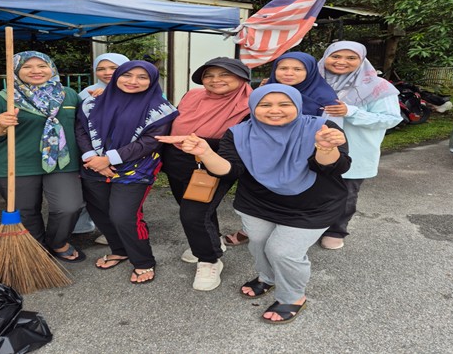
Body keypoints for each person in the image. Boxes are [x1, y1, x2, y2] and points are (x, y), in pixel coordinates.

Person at [158, 84, 350, 324]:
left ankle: (292, 296)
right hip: (258, 202)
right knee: (258, 244)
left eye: (284, 104)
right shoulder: (239, 133)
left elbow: (335, 168)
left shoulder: (321, 128)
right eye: (265, 104)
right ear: (253, 107)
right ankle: (267, 278)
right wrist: (205, 153)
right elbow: (230, 170)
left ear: (298, 105)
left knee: (282, 252)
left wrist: (326, 148)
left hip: (312, 205)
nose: (275, 110)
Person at [0, 51, 86, 262]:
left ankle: (57, 242)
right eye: (27, 67)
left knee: (69, 207)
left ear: (51, 68)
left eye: (42, 66)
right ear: (15, 71)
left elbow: (83, 125)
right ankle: (36, 249)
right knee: (26, 211)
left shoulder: (69, 95)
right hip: (16, 164)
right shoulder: (2, 99)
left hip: (62, 163)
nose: (36, 71)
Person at [223, 51, 339, 247]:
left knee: (285, 248)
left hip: (307, 157)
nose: (289, 73)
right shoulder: (264, 89)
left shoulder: (324, 98)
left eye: (297, 68)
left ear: (310, 71)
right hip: (265, 158)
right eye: (283, 68)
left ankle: (301, 237)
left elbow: (332, 139)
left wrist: (326, 145)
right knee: (260, 224)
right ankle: (255, 230)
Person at [76, 60, 178, 284]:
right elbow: (81, 129)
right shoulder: (92, 102)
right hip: (94, 165)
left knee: (124, 216)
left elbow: (150, 141)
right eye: (127, 75)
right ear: (117, 76)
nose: (133, 81)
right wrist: (92, 157)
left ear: (152, 81)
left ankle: (143, 260)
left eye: (142, 77)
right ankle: (119, 250)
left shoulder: (160, 109)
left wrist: (108, 159)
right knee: (100, 212)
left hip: (136, 169)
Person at [161, 57, 252, 291]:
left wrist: (202, 144)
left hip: (215, 160)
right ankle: (212, 241)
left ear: (242, 78)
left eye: (225, 74)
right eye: (209, 75)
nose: (215, 80)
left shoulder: (252, 103)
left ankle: (209, 260)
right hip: (178, 158)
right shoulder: (193, 95)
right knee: (196, 209)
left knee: (193, 213)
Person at [318, 41, 402, 250]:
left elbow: (391, 119)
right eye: (335, 56)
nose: (341, 62)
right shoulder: (312, 80)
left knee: (345, 193)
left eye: (351, 58)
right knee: (311, 189)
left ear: (362, 60)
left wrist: (351, 112)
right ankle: (310, 226)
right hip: (315, 148)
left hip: (355, 150)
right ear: (325, 57)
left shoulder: (379, 87)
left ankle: (336, 230)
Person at [73, 52, 130, 240]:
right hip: (93, 156)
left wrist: (110, 98)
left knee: (125, 200)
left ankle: (124, 234)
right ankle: (104, 231)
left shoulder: (139, 90)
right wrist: (93, 158)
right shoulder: (87, 93)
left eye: (113, 68)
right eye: (101, 69)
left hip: (127, 156)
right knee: (97, 198)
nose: (107, 72)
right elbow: (80, 127)